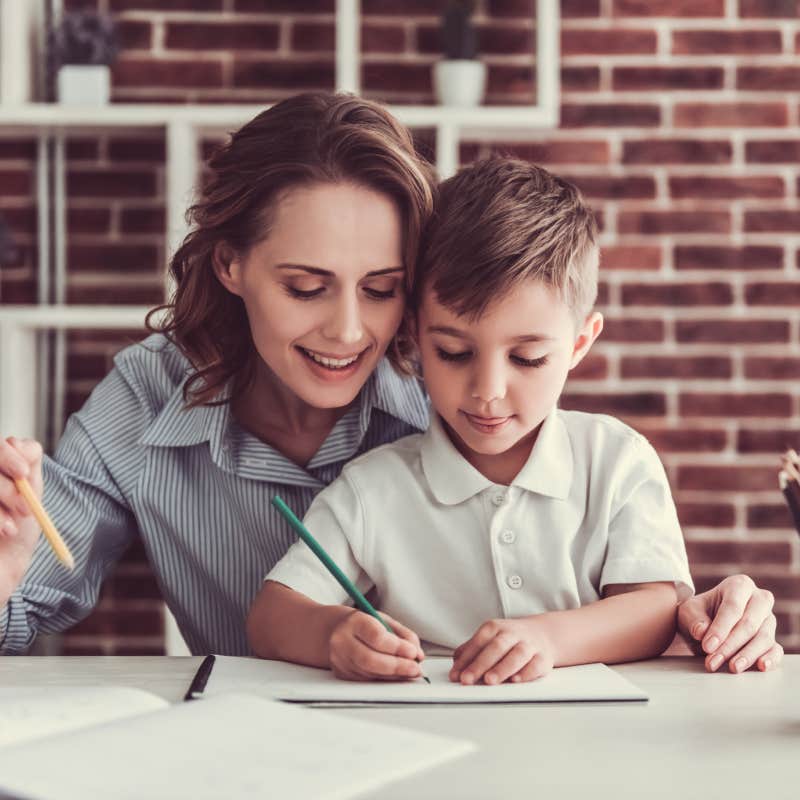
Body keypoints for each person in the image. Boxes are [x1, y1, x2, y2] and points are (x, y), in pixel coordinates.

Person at [0, 93, 782, 673]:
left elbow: (622, 596)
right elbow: (25, 602)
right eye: (307, 287)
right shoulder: (147, 402)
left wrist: (701, 614)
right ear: (230, 264)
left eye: (382, 288)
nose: (349, 333)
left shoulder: (447, 384)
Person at [247, 158, 780, 682]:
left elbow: (657, 608)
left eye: (527, 359)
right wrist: (334, 634)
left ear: (579, 344)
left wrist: (545, 639)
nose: (488, 392)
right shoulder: (374, 488)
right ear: (413, 334)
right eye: (454, 352)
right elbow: (271, 616)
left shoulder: (615, 460)